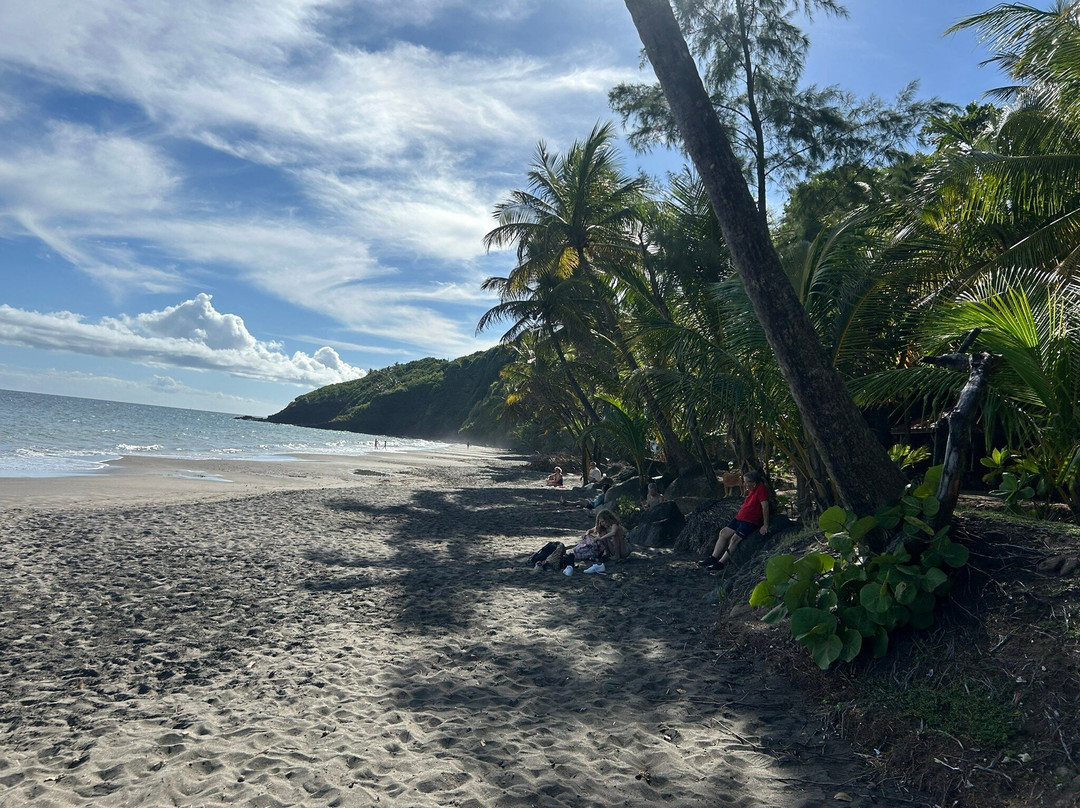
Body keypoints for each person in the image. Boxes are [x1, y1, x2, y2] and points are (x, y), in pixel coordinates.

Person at [700, 470, 770, 570]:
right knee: (723, 533)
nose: (744, 484)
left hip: (750, 521)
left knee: (734, 539)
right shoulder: (751, 489)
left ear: (753, 483)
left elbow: (765, 507)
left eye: (746, 482)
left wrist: (765, 524)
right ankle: (713, 557)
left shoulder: (762, 489)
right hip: (739, 518)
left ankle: (721, 563)